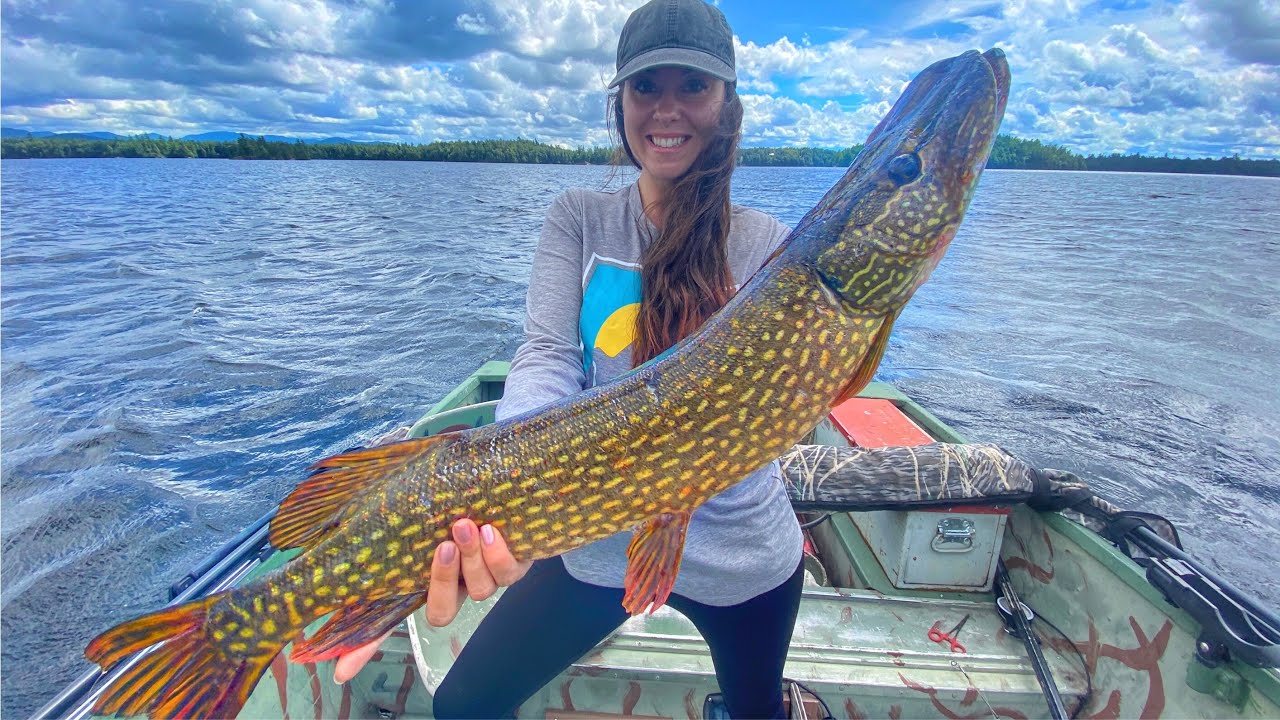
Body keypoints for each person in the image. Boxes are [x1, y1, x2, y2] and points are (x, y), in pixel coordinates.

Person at [337, 1, 804, 716]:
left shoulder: (767, 242)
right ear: (621, 104)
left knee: (756, 712)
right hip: (593, 536)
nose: (667, 109)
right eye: (646, 87)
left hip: (743, 552)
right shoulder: (579, 218)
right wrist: (509, 494)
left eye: (694, 86)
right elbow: (548, 355)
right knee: (462, 706)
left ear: (728, 105)